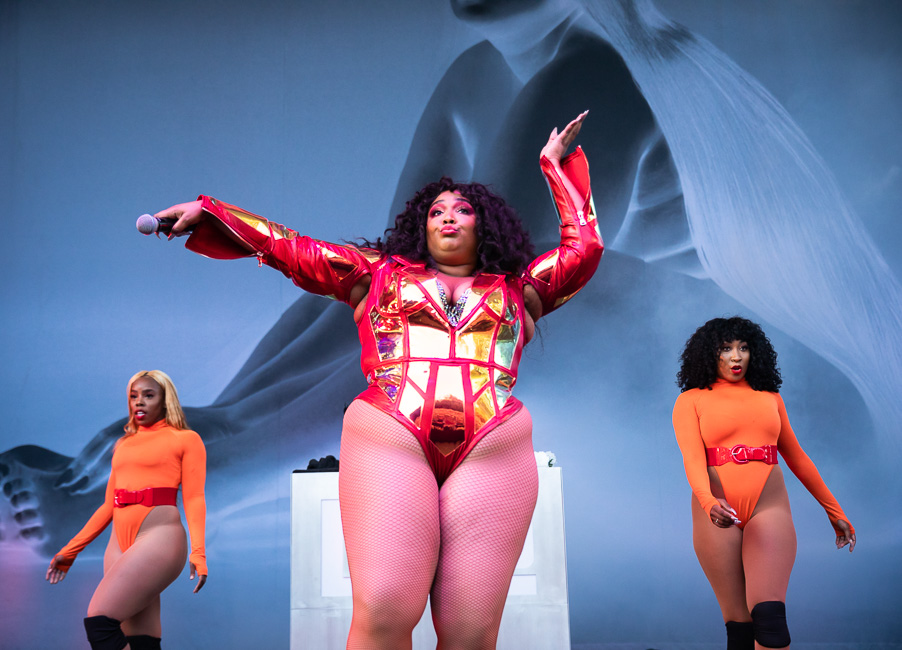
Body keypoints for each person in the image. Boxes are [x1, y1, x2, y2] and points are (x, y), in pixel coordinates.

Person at [151, 112, 601, 648]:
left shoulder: (520, 289)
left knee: (471, 629)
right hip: (392, 435)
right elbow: (289, 247)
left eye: (464, 210)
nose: (449, 217)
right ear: (422, 226)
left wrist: (555, 167)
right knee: (385, 609)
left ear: (485, 225)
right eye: (437, 211)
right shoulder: (373, 272)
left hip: (492, 444)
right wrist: (211, 211)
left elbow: (585, 249)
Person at [672, 317, 855, 650]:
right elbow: (692, 460)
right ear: (709, 354)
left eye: (743, 348)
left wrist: (834, 511)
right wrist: (709, 503)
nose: (736, 357)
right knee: (740, 628)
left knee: (770, 621)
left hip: (768, 507)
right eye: (726, 349)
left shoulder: (771, 397)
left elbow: (798, 458)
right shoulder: (690, 401)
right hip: (715, 510)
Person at [45, 371, 207, 650]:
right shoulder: (122, 444)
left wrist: (198, 552)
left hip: (160, 537)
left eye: (148, 395)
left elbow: (194, 498)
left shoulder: (186, 439)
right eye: (134, 396)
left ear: (165, 400)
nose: (139, 402)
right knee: (139, 637)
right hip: (118, 543)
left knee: (100, 621)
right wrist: (70, 551)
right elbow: (108, 505)